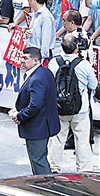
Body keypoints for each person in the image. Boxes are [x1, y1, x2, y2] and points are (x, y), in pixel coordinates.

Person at [47, 35, 97, 172]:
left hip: (58, 107)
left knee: (57, 138)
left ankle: (54, 167)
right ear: (76, 47)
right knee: (82, 140)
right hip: (80, 109)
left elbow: (50, 83)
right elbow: (94, 84)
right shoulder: (84, 64)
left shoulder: (53, 63)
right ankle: (84, 170)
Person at [10, 46, 60, 175]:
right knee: (39, 158)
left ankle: (45, 187)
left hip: (38, 126)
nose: (22, 61)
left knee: (38, 160)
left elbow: (35, 105)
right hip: (44, 123)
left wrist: (20, 116)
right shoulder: (44, 72)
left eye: (25, 58)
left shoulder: (37, 78)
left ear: (36, 61)